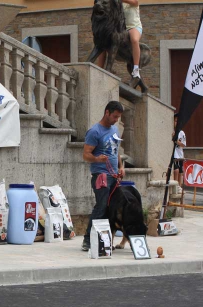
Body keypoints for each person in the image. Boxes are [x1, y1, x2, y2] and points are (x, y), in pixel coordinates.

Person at [81, 101, 125, 251]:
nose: (116, 120)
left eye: (118, 117)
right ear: (107, 112)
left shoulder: (115, 130)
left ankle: (103, 238)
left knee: (112, 208)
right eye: (114, 116)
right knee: (101, 206)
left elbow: (116, 149)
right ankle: (87, 239)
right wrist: (96, 159)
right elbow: (86, 155)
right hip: (101, 175)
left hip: (114, 175)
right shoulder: (94, 131)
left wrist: (121, 166)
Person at [122, 0, 143, 81]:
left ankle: (136, 69)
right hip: (123, 29)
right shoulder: (120, 4)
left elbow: (135, 2)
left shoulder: (134, 1)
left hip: (135, 27)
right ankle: (100, 68)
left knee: (134, 39)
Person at [173, 112, 187, 193]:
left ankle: (179, 186)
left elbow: (183, 144)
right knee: (176, 170)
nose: (176, 123)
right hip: (174, 154)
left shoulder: (181, 133)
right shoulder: (172, 131)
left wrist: (176, 141)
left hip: (180, 154)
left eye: (177, 121)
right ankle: (175, 186)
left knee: (180, 171)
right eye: (175, 121)